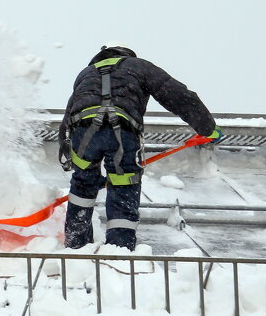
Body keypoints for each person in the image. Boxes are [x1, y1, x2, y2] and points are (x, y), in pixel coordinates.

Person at [60, 45, 223, 251]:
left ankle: (75, 247)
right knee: (123, 184)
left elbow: (68, 116)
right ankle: (119, 250)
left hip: (83, 131)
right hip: (122, 129)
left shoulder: (86, 73)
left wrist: (66, 152)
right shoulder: (138, 66)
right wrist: (207, 127)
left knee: (83, 184)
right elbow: (177, 95)